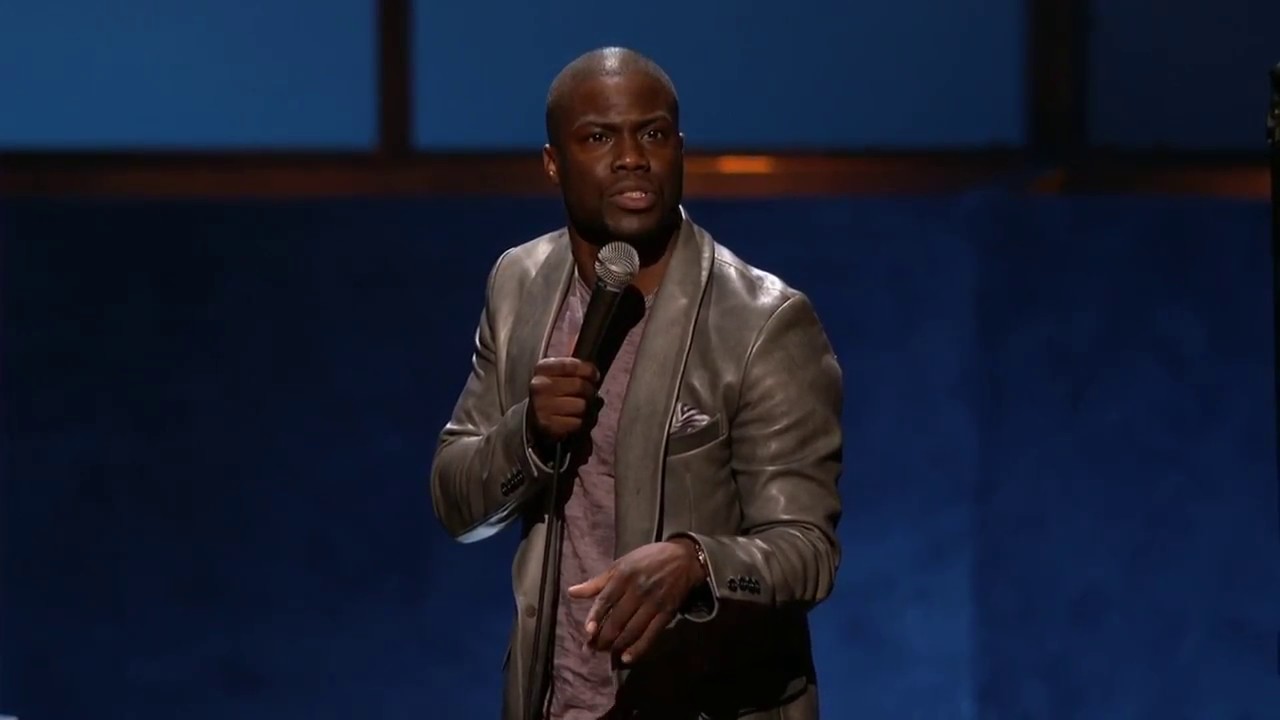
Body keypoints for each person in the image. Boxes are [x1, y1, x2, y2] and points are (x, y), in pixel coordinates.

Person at [430, 46, 843, 720]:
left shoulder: (762, 321)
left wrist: (696, 562)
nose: (631, 158)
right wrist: (528, 435)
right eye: (599, 138)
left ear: (680, 149)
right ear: (553, 162)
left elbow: (808, 551)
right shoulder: (518, 284)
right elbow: (455, 499)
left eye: (652, 134)